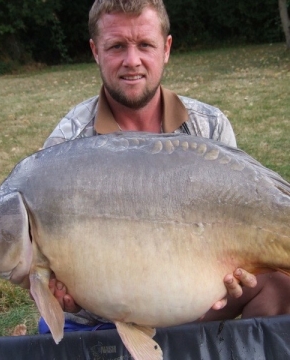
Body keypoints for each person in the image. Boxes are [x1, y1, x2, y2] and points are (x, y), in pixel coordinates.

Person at [40, 0, 290, 330]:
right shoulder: (65, 146)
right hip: (96, 320)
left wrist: (237, 277)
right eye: (116, 47)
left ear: (166, 48)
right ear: (95, 51)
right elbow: (37, 268)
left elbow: (241, 225)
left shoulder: (209, 127)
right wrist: (58, 291)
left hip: (193, 302)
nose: (132, 61)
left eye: (145, 44)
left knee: (280, 285)